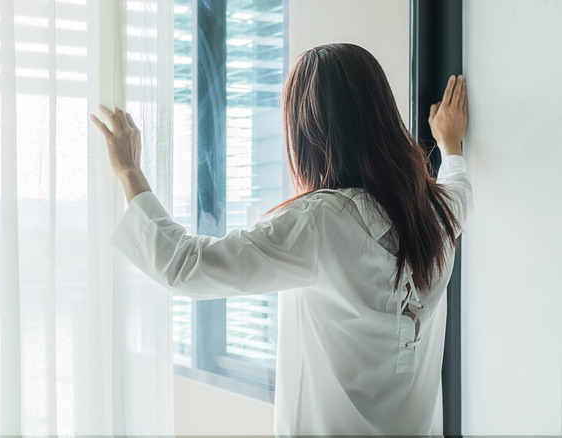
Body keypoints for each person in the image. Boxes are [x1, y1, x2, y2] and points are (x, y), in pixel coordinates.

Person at [90, 43, 471, 435]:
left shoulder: (321, 222)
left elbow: (186, 265)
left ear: (311, 133)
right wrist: (450, 145)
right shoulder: (438, 212)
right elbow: (460, 186)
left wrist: (128, 171)